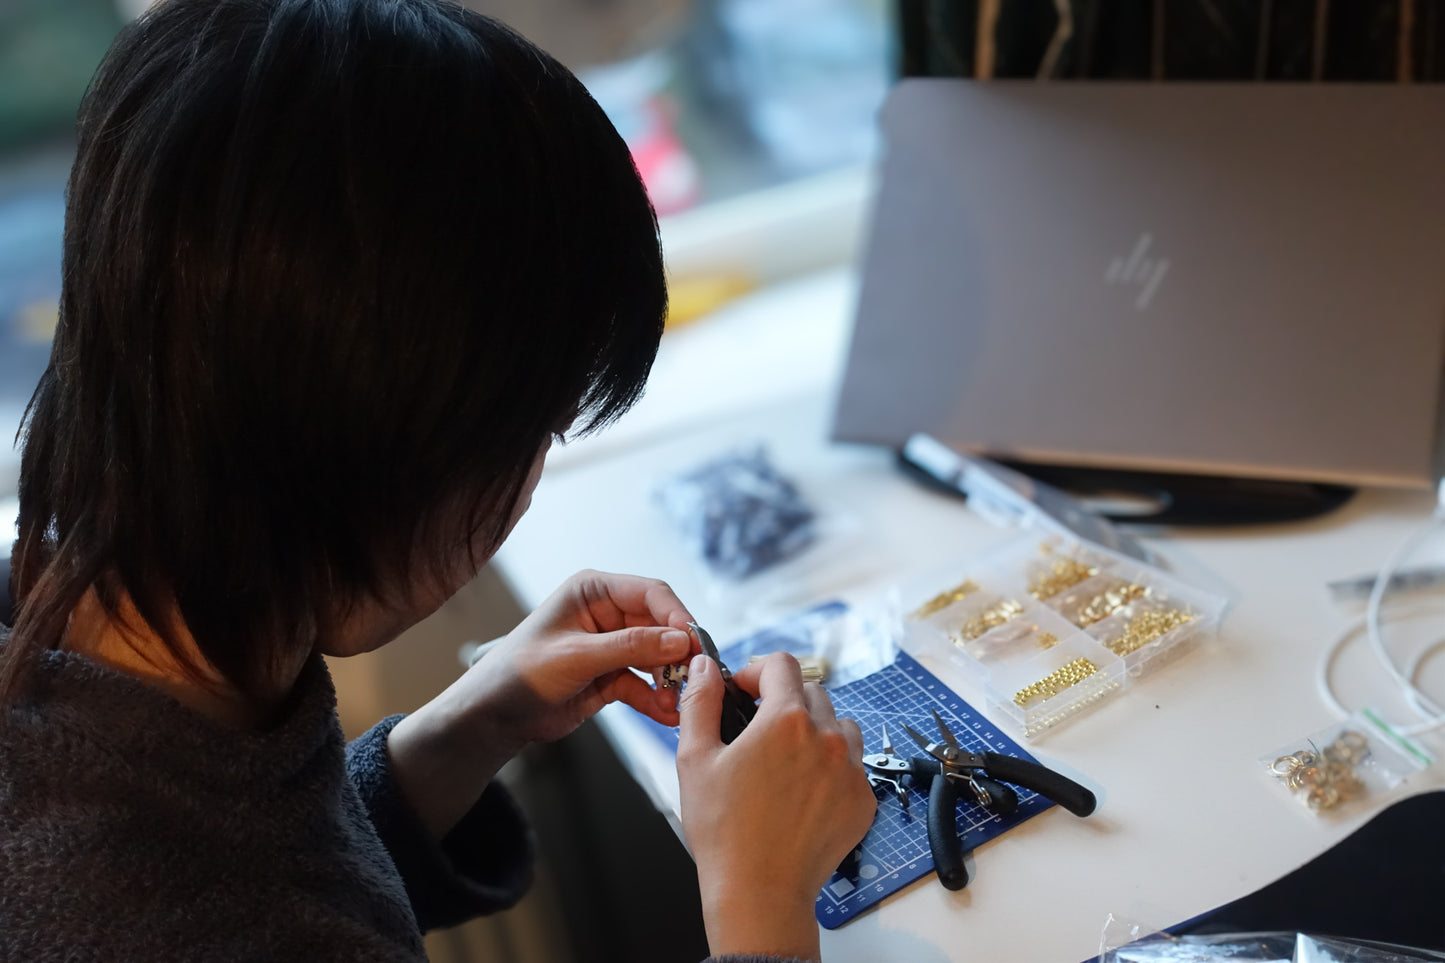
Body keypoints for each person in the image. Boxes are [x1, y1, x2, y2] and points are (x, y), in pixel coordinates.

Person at [0, 0, 877, 960]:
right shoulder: (131, 917)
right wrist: (760, 900)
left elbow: (269, 868)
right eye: (532, 434)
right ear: (383, 453)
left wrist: (470, 723)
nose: (531, 484)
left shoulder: (62, 629)